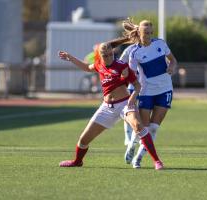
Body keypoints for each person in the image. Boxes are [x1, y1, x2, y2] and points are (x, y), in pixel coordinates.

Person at [57, 40, 164, 170]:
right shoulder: (99, 64)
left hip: (124, 104)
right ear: (100, 56)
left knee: (138, 126)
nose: (108, 58)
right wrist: (71, 58)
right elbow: (87, 67)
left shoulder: (121, 66)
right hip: (107, 107)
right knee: (83, 140)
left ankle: (157, 161)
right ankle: (77, 161)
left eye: (110, 54)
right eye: (105, 56)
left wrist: (131, 99)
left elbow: (137, 85)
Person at [122, 19, 178, 168]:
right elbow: (132, 76)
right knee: (143, 128)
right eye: (145, 32)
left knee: (154, 128)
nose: (148, 35)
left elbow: (173, 60)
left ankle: (138, 158)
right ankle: (132, 145)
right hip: (147, 91)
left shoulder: (160, 43)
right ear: (139, 33)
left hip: (165, 89)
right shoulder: (134, 52)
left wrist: (171, 67)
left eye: (150, 32)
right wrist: (132, 94)